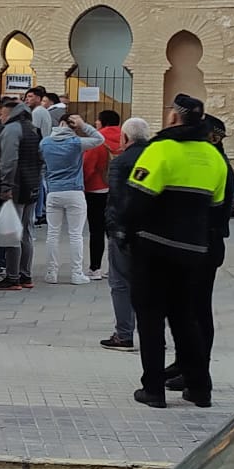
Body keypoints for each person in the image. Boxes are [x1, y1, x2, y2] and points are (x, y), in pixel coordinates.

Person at [122, 95, 230, 407]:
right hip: (194, 250)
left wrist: (124, 235)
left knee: (151, 318)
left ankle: (153, 389)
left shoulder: (160, 149)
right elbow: (218, 208)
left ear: (173, 118)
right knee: (186, 317)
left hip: (153, 247)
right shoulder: (214, 157)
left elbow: (136, 200)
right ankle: (200, 389)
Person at [98, 116, 153, 352]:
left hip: (123, 231)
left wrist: (113, 230)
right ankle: (151, 334)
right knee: (148, 283)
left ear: (125, 138)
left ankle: (124, 334)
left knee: (120, 282)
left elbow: (117, 200)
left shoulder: (121, 162)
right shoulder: (156, 158)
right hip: (151, 232)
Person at [39, 112, 104, 284]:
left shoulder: (45, 142)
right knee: (75, 235)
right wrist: (83, 126)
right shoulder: (76, 143)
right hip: (74, 191)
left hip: (53, 192)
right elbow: (99, 139)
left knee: (52, 234)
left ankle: (51, 273)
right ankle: (76, 273)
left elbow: (42, 164)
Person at [0, 97, 42, 291]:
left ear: (10, 112)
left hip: (16, 186)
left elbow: (8, 160)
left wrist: (5, 186)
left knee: (13, 232)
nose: (0, 116)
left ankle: (13, 277)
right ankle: (25, 275)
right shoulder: (32, 128)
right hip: (32, 184)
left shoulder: (12, 130)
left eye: (2, 113)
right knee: (27, 231)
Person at [81, 111, 123, 277]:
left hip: (96, 188)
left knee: (96, 229)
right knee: (114, 230)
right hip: (118, 189)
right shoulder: (124, 137)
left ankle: (95, 268)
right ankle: (115, 267)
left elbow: (88, 167)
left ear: (102, 122)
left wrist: (82, 185)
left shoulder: (98, 139)